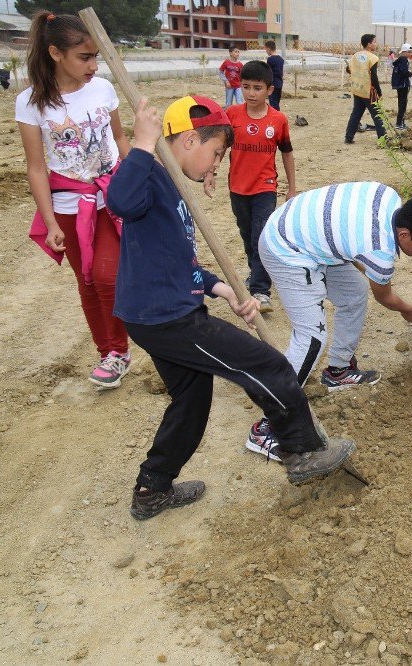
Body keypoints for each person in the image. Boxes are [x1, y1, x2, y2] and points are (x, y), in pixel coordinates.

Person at [108, 95, 353, 519]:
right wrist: (144, 144)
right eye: (217, 152)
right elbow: (119, 203)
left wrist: (221, 288)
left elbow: (175, 261)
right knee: (268, 365)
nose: (217, 164)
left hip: (158, 311)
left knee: (192, 398)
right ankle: (303, 452)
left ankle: (152, 489)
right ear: (188, 141)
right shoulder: (148, 174)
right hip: (168, 319)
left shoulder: (172, 186)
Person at [254, 186, 412, 414]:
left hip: (309, 234)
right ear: (404, 234)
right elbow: (384, 297)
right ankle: (272, 417)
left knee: (354, 292)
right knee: (312, 337)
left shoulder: (390, 197)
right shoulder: (379, 250)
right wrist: (409, 310)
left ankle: (338, 371)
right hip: (286, 248)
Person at [17, 11, 131, 389]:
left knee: (106, 276)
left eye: (96, 56)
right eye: (85, 57)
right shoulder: (31, 103)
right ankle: (109, 354)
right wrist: (49, 223)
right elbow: (36, 168)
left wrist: (139, 178)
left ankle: (119, 347)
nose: (94, 66)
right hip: (68, 205)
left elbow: (119, 139)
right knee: (87, 281)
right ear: (55, 53)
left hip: (111, 197)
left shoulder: (103, 90)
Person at [220, 60, 295, 314]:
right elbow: (220, 147)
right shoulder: (232, 114)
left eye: (257, 88)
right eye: (246, 87)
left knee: (261, 236)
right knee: (246, 234)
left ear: (269, 91)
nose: (251, 93)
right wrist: (211, 170)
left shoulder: (278, 119)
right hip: (237, 187)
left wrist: (291, 187)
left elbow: (286, 153)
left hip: (265, 187)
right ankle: (256, 272)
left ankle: (261, 291)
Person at [344, 34, 386, 145]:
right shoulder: (373, 58)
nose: (375, 44)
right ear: (369, 44)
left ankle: (348, 137)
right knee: (377, 115)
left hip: (357, 89)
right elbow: (374, 77)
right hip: (368, 91)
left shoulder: (355, 55)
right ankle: (383, 140)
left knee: (356, 114)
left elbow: (348, 69)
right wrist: (379, 92)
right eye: (374, 42)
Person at [391, 43, 412, 130]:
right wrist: (410, 74)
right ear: (404, 51)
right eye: (409, 51)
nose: (410, 53)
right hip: (403, 84)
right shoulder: (403, 59)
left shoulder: (400, 60)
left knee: (401, 103)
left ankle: (400, 122)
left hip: (399, 85)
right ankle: (399, 123)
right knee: (403, 104)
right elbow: (404, 72)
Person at [265, 40, 284, 110]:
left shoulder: (270, 59)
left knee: (273, 103)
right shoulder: (281, 59)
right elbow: (281, 73)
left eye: (266, 49)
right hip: (280, 83)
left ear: (269, 49)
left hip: (272, 84)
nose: (266, 51)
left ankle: (276, 118)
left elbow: (268, 73)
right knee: (277, 102)